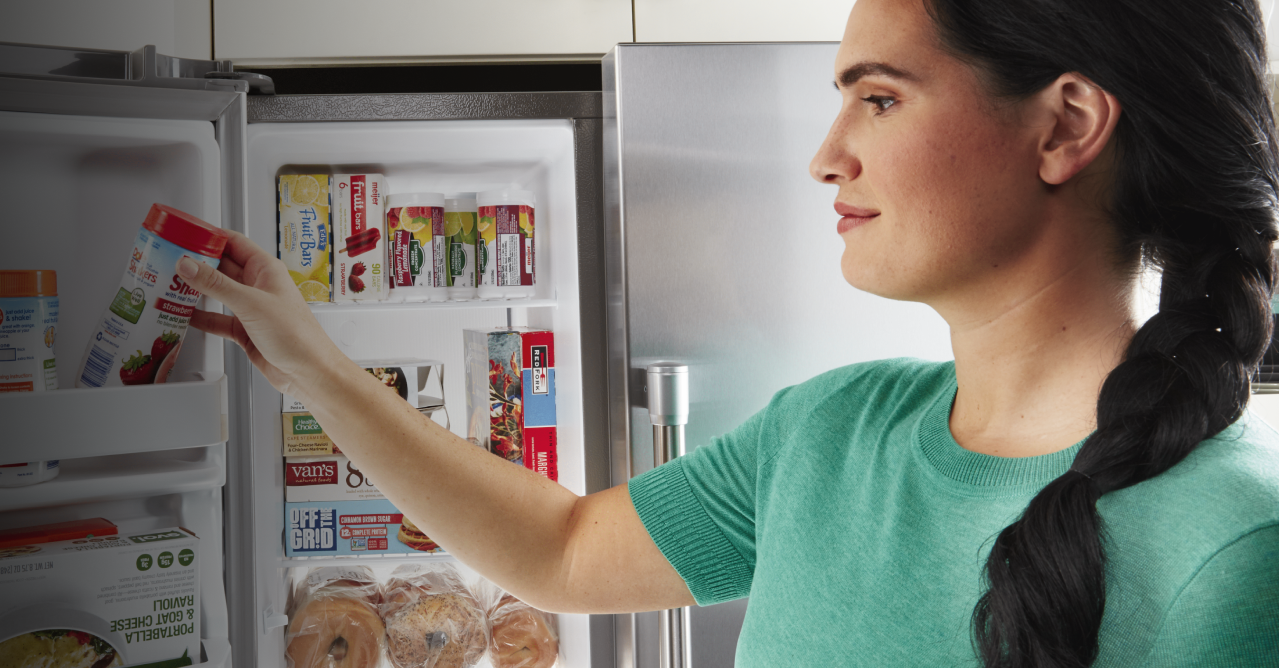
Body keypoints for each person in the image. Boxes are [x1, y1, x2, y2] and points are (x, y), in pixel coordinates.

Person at [181, 0, 1279, 665]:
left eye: (880, 98)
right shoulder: (830, 428)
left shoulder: (1231, 551)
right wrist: (313, 368)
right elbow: (560, 550)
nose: (826, 153)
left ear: (1065, 125)